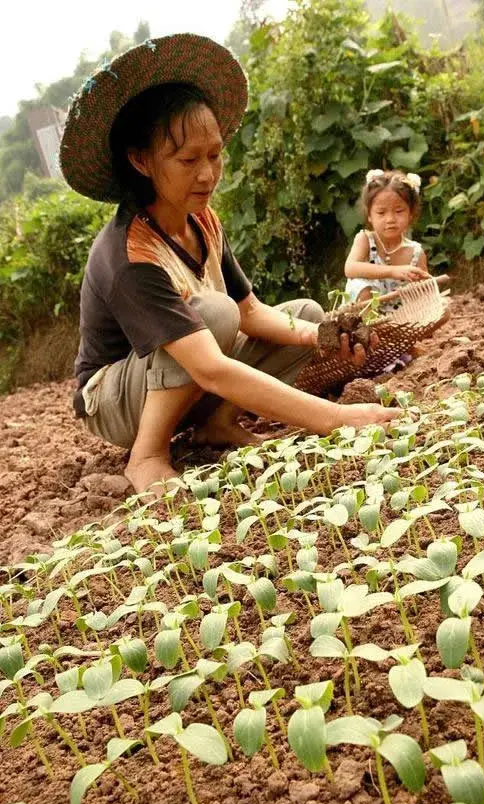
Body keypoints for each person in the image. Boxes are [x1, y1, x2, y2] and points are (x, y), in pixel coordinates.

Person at [59, 34, 401, 495]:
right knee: (214, 313)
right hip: (117, 397)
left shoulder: (201, 220)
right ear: (141, 161)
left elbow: (253, 313)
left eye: (215, 155)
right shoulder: (130, 254)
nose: (207, 174)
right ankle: (147, 454)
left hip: (185, 371)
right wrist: (338, 419)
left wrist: (323, 336)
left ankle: (219, 423)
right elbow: (211, 365)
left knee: (306, 315)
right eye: (188, 160)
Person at [344, 169, 430, 307]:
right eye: (381, 212)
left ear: (411, 213)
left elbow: (425, 288)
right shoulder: (365, 239)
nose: (390, 219)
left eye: (399, 211)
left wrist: (426, 286)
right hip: (361, 316)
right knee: (362, 288)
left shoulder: (415, 253)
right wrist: (393, 271)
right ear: (370, 216)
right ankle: (368, 328)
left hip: (400, 318)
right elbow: (350, 268)